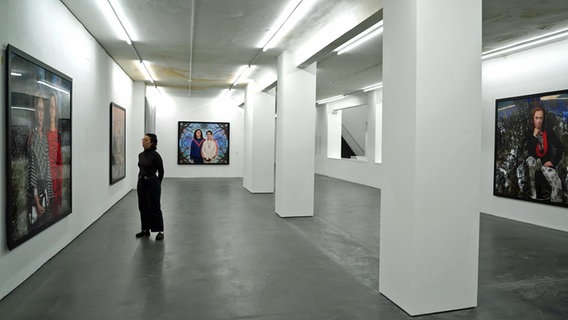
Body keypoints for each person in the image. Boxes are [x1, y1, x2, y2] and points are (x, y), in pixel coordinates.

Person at [526, 105, 564, 202]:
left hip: (545, 163)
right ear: (533, 119)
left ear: (543, 119)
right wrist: (534, 135)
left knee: (557, 182)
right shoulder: (529, 133)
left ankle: (556, 204)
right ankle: (532, 193)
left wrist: (553, 162)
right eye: (536, 118)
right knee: (530, 160)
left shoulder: (548, 132)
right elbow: (529, 151)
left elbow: (560, 147)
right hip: (532, 164)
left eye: (541, 118)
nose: (538, 121)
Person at [28, 94, 54, 224]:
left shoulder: (43, 138)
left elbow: (47, 166)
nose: (41, 114)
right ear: (35, 111)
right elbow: (33, 172)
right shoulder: (33, 138)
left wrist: (48, 194)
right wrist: (37, 202)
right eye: (39, 109)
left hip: (44, 192)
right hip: (35, 197)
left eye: (43, 110)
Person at [136, 133, 165, 240]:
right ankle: (145, 229)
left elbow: (161, 171)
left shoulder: (155, 155)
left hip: (152, 183)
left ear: (152, 142)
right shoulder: (141, 155)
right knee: (142, 206)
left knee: (154, 207)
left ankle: (160, 231)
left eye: (146, 140)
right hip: (141, 183)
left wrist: (158, 183)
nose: (143, 141)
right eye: (143, 139)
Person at [47, 93, 63, 216]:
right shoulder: (45, 134)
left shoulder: (58, 134)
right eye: (50, 107)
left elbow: (60, 163)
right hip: (47, 180)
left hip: (57, 181)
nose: (52, 111)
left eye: (54, 108)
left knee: (55, 212)